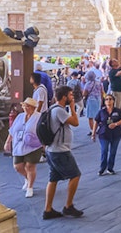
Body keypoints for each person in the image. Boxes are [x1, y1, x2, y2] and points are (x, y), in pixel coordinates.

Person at [42, 86, 83, 220]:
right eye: (70, 95)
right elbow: (75, 122)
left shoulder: (52, 108)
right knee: (75, 175)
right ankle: (68, 206)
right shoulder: (59, 110)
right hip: (60, 151)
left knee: (53, 179)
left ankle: (48, 209)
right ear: (64, 97)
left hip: (52, 150)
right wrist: (72, 108)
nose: (72, 97)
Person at [4, 98, 42, 198]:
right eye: (24, 106)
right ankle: (28, 178)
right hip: (18, 145)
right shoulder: (20, 116)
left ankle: (30, 187)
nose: (25, 108)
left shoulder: (39, 117)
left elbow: (44, 131)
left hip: (33, 146)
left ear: (33, 108)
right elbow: (12, 130)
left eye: (28, 106)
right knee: (17, 166)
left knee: (30, 166)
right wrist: (8, 142)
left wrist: (44, 144)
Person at [96, 94, 121, 176]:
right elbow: (96, 121)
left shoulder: (117, 111)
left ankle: (110, 167)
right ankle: (102, 168)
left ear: (113, 101)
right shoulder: (101, 112)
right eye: (106, 99)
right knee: (104, 150)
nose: (108, 101)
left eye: (110, 99)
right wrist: (93, 133)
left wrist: (115, 124)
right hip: (104, 134)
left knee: (113, 151)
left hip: (116, 134)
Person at [82, 69, 102, 139]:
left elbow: (84, 93)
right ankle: (100, 128)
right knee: (98, 115)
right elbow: (102, 91)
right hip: (98, 99)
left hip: (91, 100)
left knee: (90, 116)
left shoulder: (88, 84)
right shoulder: (99, 83)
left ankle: (92, 130)